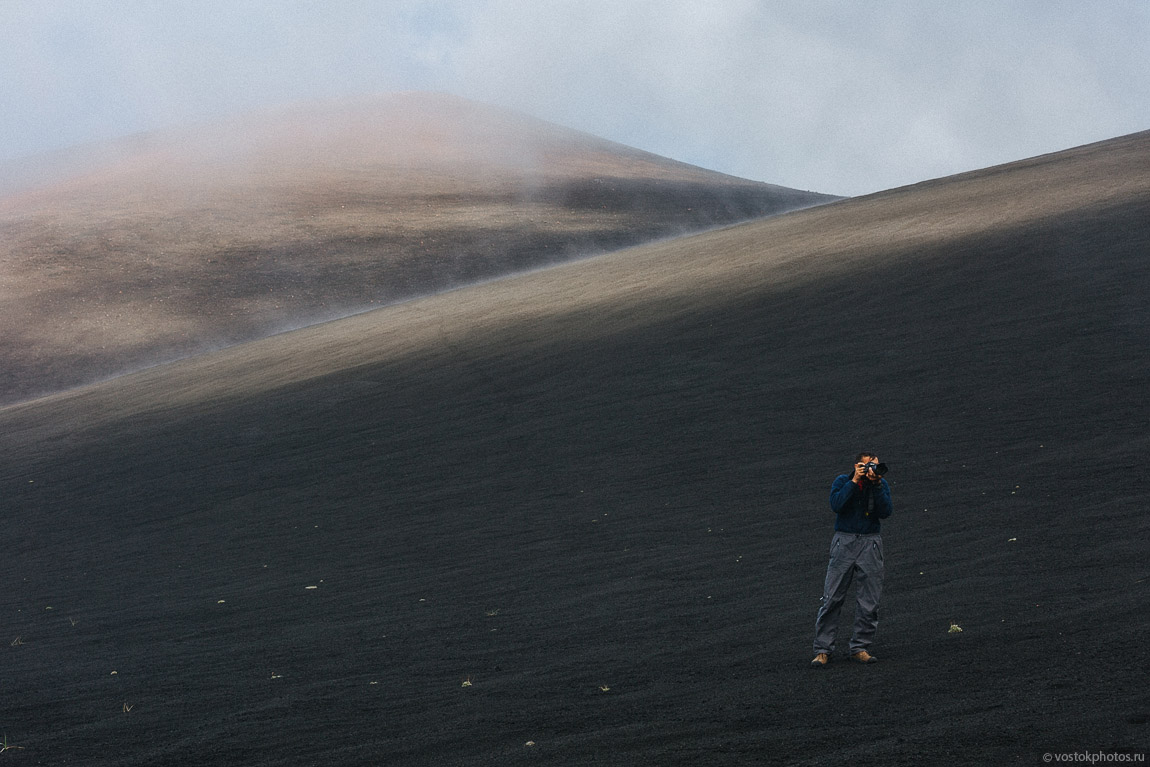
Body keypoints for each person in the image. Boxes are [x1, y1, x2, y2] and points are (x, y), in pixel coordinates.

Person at [810, 451, 892, 667]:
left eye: (875, 465)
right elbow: (836, 505)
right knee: (832, 597)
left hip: (871, 542)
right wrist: (855, 481)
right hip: (844, 542)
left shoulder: (880, 484)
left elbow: (886, 512)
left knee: (869, 601)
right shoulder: (843, 481)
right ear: (857, 465)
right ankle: (822, 650)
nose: (872, 470)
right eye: (868, 466)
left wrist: (877, 485)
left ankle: (860, 647)